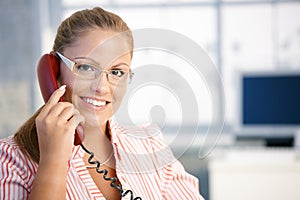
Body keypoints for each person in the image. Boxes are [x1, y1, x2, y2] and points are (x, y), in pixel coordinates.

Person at [0, 7, 204, 200]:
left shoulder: (149, 145)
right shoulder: (10, 160)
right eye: (86, 68)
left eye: (116, 72)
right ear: (53, 70)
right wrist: (53, 160)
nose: (101, 87)